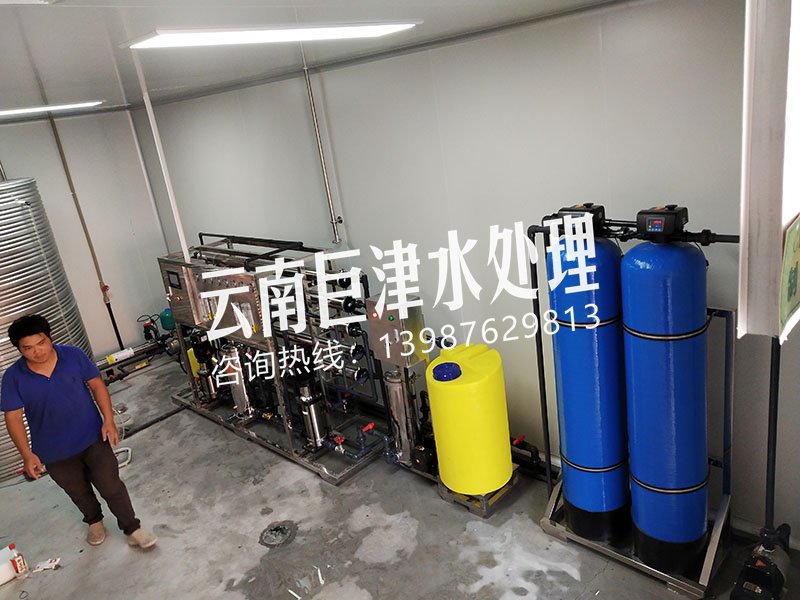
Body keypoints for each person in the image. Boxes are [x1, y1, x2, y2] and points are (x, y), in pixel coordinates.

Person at [1, 315, 156, 549]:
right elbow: (13, 417)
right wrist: (27, 454)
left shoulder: (73, 355)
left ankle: (132, 528)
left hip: (92, 436)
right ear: (19, 350)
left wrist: (108, 420)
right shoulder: (13, 377)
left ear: (50, 337)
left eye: (41, 343)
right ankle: (94, 521)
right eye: (28, 348)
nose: (37, 351)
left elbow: (97, 385)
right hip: (53, 450)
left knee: (111, 485)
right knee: (78, 491)